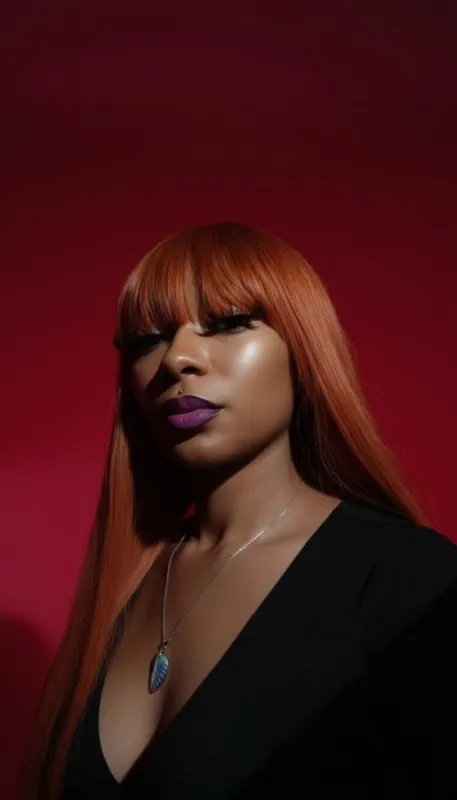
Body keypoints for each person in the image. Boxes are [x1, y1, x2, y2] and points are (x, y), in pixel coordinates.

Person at [21, 222, 457, 799]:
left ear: (303, 351)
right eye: (148, 339)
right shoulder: (124, 583)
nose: (178, 358)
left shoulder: (407, 579)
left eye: (228, 323)